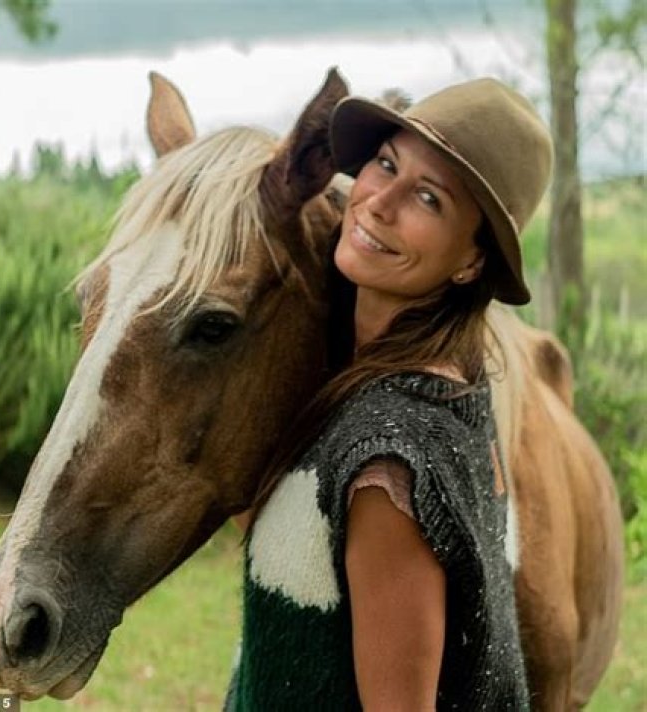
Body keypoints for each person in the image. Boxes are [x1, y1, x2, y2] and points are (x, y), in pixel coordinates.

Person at [225, 77, 553, 711]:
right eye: (385, 163)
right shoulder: (449, 383)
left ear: (472, 262)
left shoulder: (390, 462)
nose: (378, 202)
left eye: (428, 199)